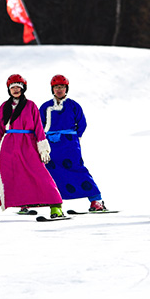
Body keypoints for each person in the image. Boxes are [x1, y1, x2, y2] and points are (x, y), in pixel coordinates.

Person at [0, 74, 63, 221]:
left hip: (28, 145)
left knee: (39, 173)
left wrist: (43, 148)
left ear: (23, 89)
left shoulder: (31, 106)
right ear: (9, 90)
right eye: (12, 87)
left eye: (18, 87)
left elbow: (39, 128)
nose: (15, 90)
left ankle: (56, 207)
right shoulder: (4, 107)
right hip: (8, 145)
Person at [38, 74, 106, 212]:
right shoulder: (45, 106)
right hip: (51, 146)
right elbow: (38, 125)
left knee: (78, 169)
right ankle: (51, 201)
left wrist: (76, 138)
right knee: (50, 172)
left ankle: (96, 200)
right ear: (52, 89)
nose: (59, 90)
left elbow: (82, 123)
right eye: (56, 87)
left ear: (66, 88)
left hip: (70, 145)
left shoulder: (73, 105)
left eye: (62, 87)